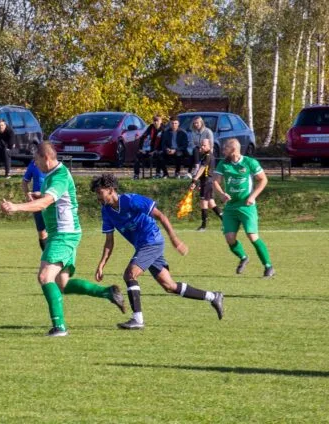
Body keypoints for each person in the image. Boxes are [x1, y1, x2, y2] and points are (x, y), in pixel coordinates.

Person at [0, 142, 125, 337]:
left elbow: (47, 202)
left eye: (36, 160)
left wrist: (17, 207)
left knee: (44, 277)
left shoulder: (59, 176)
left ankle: (59, 327)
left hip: (63, 234)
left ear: (46, 158)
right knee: (62, 284)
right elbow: (54, 198)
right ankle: (107, 292)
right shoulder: (53, 175)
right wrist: (39, 194)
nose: (35, 163)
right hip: (66, 233)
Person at [92, 173, 224, 330]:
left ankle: (137, 320)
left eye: (100, 193)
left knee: (130, 274)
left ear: (111, 190)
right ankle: (213, 296)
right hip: (142, 246)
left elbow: (161, 216)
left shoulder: (131, 200)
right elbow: (109, 241)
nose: (98, 198)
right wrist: (101, 265)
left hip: (152, 241)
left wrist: (175, 240)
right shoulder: (106, 211)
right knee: (169, 286)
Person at [213, 138, 275, 278]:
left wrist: (253, 196)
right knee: (229, 238)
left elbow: (263, 179)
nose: (223, 151)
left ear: (233, 150)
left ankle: (268, 266)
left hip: (247, 206)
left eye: (225, 149)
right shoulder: (223, 164)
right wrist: (222, 194)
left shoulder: (249, 162)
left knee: (252, 236)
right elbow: (215, 182)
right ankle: (243, 257)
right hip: (230, 207)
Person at [189, 138, 223, 231]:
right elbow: (203, 172)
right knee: (211, 203)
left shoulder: (208, 156)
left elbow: (202, 169)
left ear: (210, 146)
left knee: (203, 203)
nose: (202, 147)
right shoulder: (204, 156)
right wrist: (199, 182)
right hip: (206, 181)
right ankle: (225, 222)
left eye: (204, 145)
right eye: (201, 145)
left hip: (207, 182)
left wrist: (194, 180)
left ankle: (204, 226)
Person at [21, 158, 47, 251]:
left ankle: (54, 260)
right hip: (37, 202)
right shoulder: (33, 164)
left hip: (51, 201)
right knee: (42, 232)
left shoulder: (55, 166)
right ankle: (47, 257)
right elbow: (24, 182)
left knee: (54, 232)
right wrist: (27, 194)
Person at [133, 114, 164, 179]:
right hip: (148, 149)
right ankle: (136, 174)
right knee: (137, 155)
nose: (155, 122)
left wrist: (155, 151)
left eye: (157, 120)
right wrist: (141, 149)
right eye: (154, 120)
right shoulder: (150, 127)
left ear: (161, 121)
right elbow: (143, 138)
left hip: (158, 149)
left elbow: (163, 143)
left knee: (159, 155)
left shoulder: (163, 130)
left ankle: (158, 173)